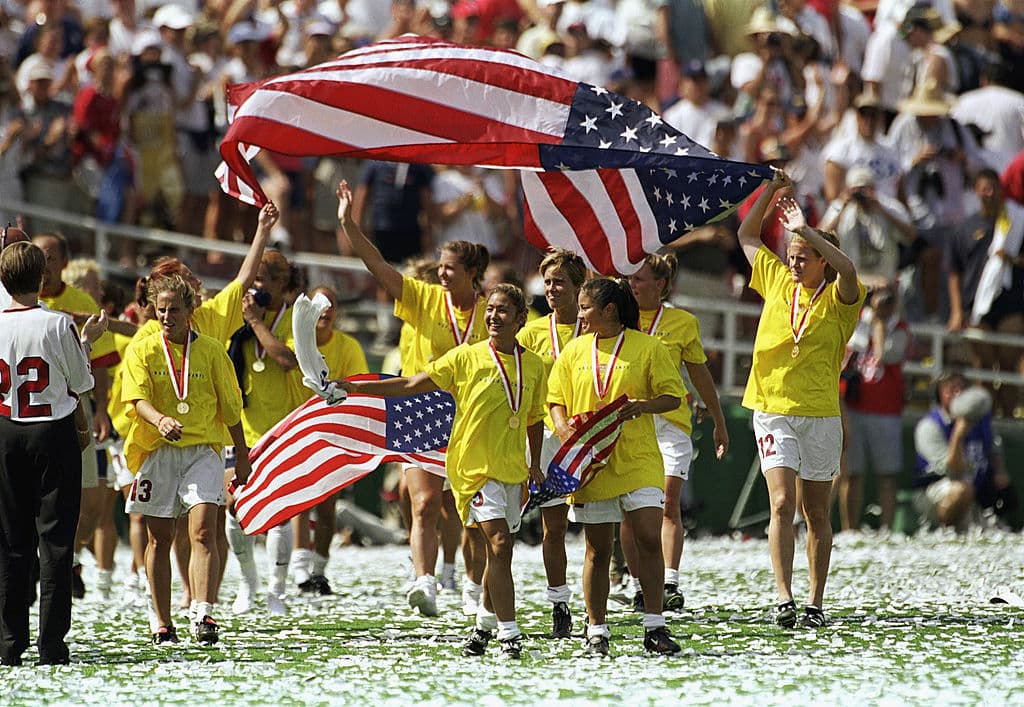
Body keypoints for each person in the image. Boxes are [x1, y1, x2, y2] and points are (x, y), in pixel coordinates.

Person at [339, 284, 546, 659]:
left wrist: (534, 465)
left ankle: (482, 628)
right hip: (473, 469)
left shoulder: (533, 364)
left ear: (520, 318)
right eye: (490, 310)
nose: (494, 317)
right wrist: (355, 389)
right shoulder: (465, 357)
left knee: (498, 554)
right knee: (500, 544)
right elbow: (409, 384)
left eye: (503, 311)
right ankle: (510, 634)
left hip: (513, 470)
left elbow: (533, 417)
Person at [337, 179, 489, 617]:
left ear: (471, 274)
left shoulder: (490, 311)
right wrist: (350, 224)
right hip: (418, 407)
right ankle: (424, 580)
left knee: (463, 509)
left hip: (469, 415)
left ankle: (464, 579)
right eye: (440, 266)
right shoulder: (424, 298)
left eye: (450, 268)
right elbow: (377, 266)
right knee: (421, 502)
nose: (441, 274)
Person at [736, 169, 865, 628]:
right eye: (792, 255)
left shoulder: (839, 297)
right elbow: (747, 234)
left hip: (820, 415)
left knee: (816, 512)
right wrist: (772, 191)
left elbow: (849, 269)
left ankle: (815, 601)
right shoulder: (775, 281)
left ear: (822, 260)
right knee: (780, 503)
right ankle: (784, 597)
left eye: (804, 256)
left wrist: (806, 229)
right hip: (772, 408)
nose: (794, 263)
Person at [548, 277, 687, 656]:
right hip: (591, 463)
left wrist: (642, 406)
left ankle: (655, 626)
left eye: (585, 308)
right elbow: (555, 399)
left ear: (608, 310)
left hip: (638, 459)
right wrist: (563, 430)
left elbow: (673, 397)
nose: (580, 315)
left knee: (647, 535)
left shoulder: (648, 347)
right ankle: (597, 630)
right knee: (597, 549)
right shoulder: (575, 351)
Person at [121, 273, 250, 646]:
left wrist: (241, 456)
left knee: (203, 531)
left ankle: (203, 610)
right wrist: (159, 419)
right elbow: (137, 398)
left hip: (202, 452)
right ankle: (162, 622)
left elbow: (231, 408)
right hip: (159, 450)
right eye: (160, 310)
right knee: (159, 538)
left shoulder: (211, 350)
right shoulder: (143, 349)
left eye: (174, 309)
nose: (166, 317)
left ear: (191, 309)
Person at [0, 240, 103, 666]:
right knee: (56, 542)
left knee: (10, 542)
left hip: (6, 430)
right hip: (51, 433)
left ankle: (8, 644)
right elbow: (81, 383)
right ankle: (51, 646)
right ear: (43, 276)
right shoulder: (57, 323)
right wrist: (87, 341)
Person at [625, 253, 728, 613]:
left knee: (668, 504)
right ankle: (638, 585)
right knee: (631, 510)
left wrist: (718, 419)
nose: (632, 285)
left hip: (671, 423)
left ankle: (669, 582)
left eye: (639, 279)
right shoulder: (620, 317)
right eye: (631, 279)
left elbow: (700, 374)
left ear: (661, 285)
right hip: (631, 423)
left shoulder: (682, 322)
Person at [32, 231, 119, 601]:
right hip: (28, 411)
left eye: (51, 258)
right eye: (38, 256)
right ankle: (45, 563)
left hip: (74, 407)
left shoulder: (80, 302)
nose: (45, 265)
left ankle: (67, 558)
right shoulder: (17, 302)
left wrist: (98, 410)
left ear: (65, 263)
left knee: (89, 503)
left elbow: (99, 365)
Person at [515, 248, 587, 638]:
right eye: (548, 282)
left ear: (579, 287)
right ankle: (559, 602)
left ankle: (624, 591)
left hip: (587, 436)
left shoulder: (594, 329)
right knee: (552, 527)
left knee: (599, 526)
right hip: (542, 437)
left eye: (560, 282)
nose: (552, 289)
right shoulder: (531, 333)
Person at [290, 285, 369, 596]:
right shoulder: (292, 339)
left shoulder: (348, 346)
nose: (324, 310)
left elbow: (360, 386)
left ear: (337, 311)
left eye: (330, 304)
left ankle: (319, 570)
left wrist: (337, 394)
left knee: (327, 504)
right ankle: (298, 568)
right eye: (318, 304)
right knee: (300, 498)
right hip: (300, 428)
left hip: (335, 431)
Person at [946, 169, 1024, 418]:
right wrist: (957, 311)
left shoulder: (1015, 222)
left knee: (1010, 367)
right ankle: (987, 422)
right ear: (976, 191)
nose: (989, 193)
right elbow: (954, 272)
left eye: (994, 188)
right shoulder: (964, 228)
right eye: (984, 188)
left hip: (1010, 304)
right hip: (976, 307)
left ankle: (1010, 418)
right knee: (983, 368)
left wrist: (1011, 259)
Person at [837, 286, 910, 532]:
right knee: (851, 474)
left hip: (886, 411)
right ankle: (849, 528)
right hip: (854, 408)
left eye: (888, 302)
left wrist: (879, 324)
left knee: (886, 475)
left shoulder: (899, 330)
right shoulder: (857, 325)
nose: (883, 307)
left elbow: (886, 355)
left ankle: (887, 528)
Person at [914, 372, 1018, 530]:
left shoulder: (980, 420)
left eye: (962, 389)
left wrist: (999, 471)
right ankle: (945, 529)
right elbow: (953, 471)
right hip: (935, 489)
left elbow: (993, 448)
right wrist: (958, 435)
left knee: (1005, 496)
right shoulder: (930, 426)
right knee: (962, 490)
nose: (958, 394)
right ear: (940, 394)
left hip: (977, 489)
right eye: (951, 389)